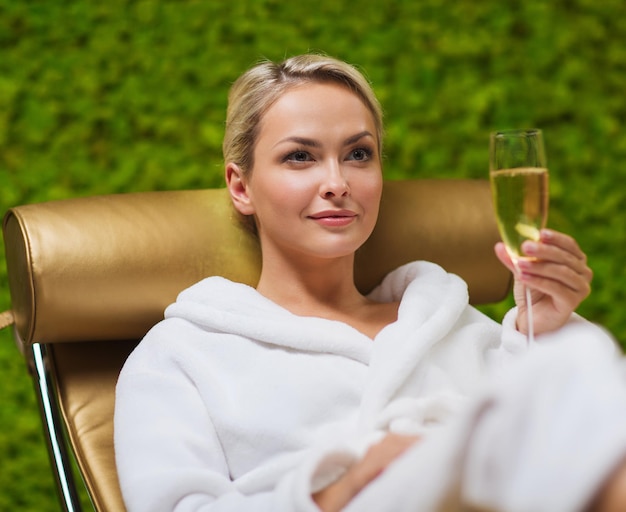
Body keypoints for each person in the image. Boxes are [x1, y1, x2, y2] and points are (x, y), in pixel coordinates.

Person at [114, 53, 626, 512]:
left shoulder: (449, 324)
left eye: (358, 154)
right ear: (241, 186)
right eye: (300, 156)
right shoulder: (181, 356)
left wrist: (546, 329)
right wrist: (343, 487)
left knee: (577, 368)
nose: (337, 182)